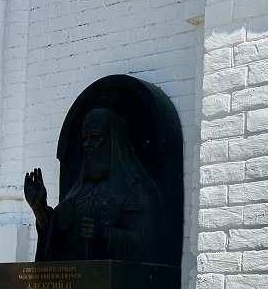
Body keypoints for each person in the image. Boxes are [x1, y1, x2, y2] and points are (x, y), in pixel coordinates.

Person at [24, 109, 170, 264]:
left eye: (95, 137)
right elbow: (56, 238)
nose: (88, 144)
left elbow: (151, 250)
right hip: (76, 277)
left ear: (114, 141)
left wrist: (106, 234)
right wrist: (39, 207)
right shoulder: (79, 191)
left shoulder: (138, 190)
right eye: (85, 139)